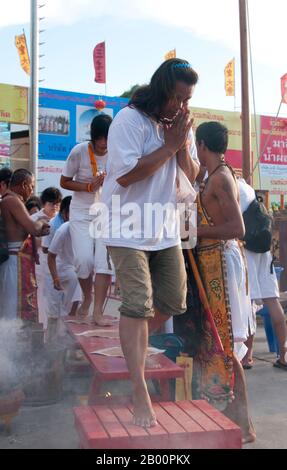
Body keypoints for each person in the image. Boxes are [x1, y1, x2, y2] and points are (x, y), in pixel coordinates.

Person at [99, 59, 199, 427]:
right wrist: (171, 146)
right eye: (176, 97)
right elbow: (126, 175)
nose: (181, 106)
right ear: (161, 90)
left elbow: (189, 175)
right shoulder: (129, 120)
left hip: (164, 228)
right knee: (138, 304)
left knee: (173, 300)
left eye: (187, 99)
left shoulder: (178, 127)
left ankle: (132, 343)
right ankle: (138, 388)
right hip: (125, 227)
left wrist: (182, 145)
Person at [192, 121, 255, 443]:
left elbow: (236, 228)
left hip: (223, 262)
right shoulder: (211, 176)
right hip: (212, 262)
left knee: (225, 344)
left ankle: (244, 423)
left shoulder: (220, 178)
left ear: (202, 145)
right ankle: (234, 417)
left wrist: (192, 232)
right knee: (219, 343)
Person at [60, 114, 115, 326]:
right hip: (82, 211)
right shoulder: (79, 151)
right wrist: (87, 186)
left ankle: (98, 312)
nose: (103, 143)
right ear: (92, 137)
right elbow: (64, 181)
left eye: (107, 138)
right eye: (99, 138)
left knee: (104, 264)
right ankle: (87, 296)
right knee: (83, 261)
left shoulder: (118, 152)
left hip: (107, 213)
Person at [238, 178, 287, 370]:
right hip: (263, 249)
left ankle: (247, 356)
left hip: (246, 247)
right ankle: (284, 355)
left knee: (247, 302)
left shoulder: (221, 181)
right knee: (271, 299)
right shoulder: (247, 187)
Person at [0, 169, 49, 321]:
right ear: (23, 184)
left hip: (17, 261)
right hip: (14, 262)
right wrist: (41, 221)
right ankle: (9, 343)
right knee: (12, 309)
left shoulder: (11, 200)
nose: (32, 190)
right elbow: (34, 229)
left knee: (16, 307)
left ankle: (15, 342)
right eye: (32, 186)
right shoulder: (12, 200)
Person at [31, 187, 62, 330]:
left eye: (57, 203)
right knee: (42, 298)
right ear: (44, 203)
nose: (55, 207)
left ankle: (58, 332)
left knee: (58, 299)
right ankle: (43, 330)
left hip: (58, 264)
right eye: (52, 203)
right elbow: (31, 242)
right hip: (40, 264)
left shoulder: (61, 219)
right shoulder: (34, 219)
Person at [47, 221, 82, 339]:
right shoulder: (62, 230)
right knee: (53, 310)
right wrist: (55, 277)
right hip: (58, 269)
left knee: (71, 303)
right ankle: (51, 340)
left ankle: (68, 330)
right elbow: (50, 255)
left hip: (74, 270)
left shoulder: (88, 228)